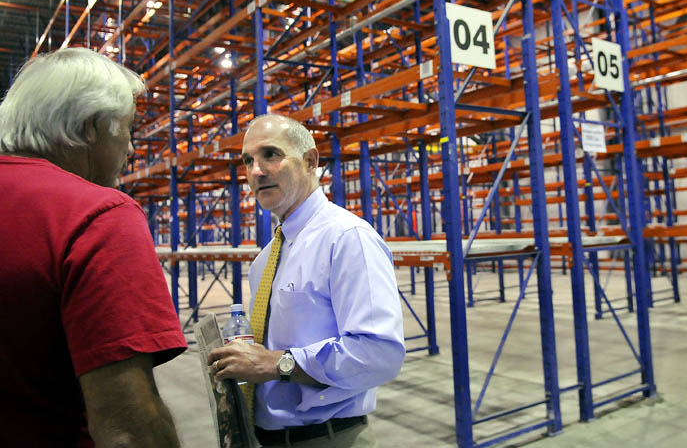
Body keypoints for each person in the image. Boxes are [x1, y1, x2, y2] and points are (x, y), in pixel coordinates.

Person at [0, 48, 188, 448]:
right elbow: (128, 431)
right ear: (91, 127)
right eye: (127, 129)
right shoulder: (97, 215)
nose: (132, 149)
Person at [208, 114, 405, 447]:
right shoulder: (266, 258)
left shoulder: (346, 238)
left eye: (270, 154)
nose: (256, 171)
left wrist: (278, 363)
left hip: (327, 438)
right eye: (247, 161)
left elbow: (378, 353)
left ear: (310, 161)